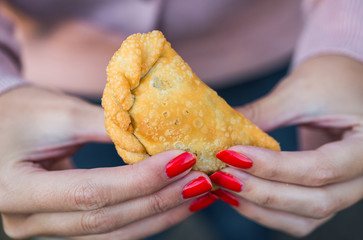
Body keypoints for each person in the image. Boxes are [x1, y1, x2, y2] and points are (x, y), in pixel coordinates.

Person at [0, 0, 362, 239]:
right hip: (47, 97)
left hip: (292, 64)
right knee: (110, 221)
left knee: (266, 207)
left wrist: (348, 47)